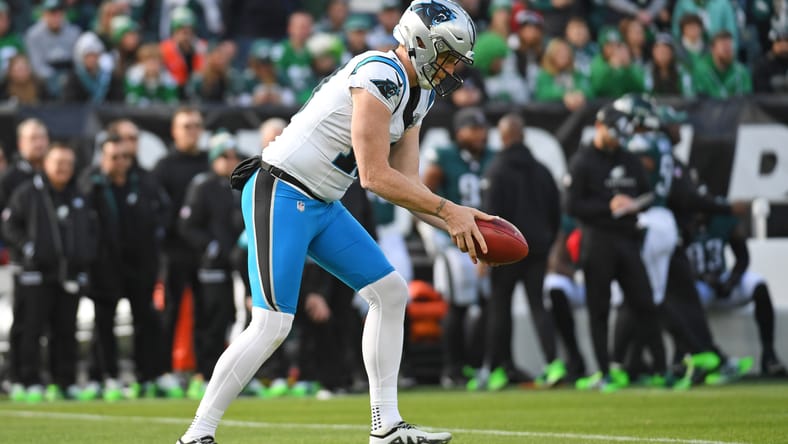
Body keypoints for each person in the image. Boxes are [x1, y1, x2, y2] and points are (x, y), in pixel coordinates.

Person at [176, 1, 488, 443]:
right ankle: (196, 435)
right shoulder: (381, 72)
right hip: (281, 189)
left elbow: (408, 185)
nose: (452, 69)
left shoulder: (419, 93)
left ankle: (386, 426)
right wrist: (448, 211)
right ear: (420, 44)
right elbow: (375, 176)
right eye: (448, 56)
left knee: (390, 292)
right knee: (272, 324)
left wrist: (462, 221)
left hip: (322, 202)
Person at [565, 102, 663, 392]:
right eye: (614, 133)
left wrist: (633, 203)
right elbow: (571, 205)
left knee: (644, 302)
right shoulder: (582, 161)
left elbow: (648, 193)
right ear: (599, 127)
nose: (618, 140)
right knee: (599, 308)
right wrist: (608, 205)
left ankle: (661, 367)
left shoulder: (629, 159)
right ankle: (604, 371)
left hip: (628, 238)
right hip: (597, 241)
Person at [1, 143, 97, 402]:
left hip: (67, 273)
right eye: (58, 162)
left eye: (68, 163)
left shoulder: (78, 194)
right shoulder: (28, 192)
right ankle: (24, 379)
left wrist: (83, 257)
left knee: (66, 329)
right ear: (46, 163)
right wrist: (28, 248)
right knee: (30, 328)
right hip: (34, 274)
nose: (63, 168)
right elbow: (9, 226)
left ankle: (63, 381)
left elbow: (89, 230)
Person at [78, 132, 169, 401]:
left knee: (145, 320)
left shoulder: (143, 182)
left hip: (140, 264)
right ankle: (105, 376)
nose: (120, 162)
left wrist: (155, 237)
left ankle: (147, 375)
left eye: (125, 157)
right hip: (105, 266)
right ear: (102, 157)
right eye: (114, 157)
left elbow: (163, 211)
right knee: (104, 323)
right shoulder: (90, 185)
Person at [477, 113, 562, 389]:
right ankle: (553, 364)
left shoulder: (496, 170)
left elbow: (489, 217)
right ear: (523, 136)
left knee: (500, 306)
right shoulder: (542, 170)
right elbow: (556, 212)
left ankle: (499, 368)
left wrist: (484, 252)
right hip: (537, 247)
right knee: (538, 304)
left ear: (502, 138)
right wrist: (548, 244)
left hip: (505, 251)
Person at [421, 107, 495, 389]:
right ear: (459, 131)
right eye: (473, 129)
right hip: (453, 240)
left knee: (487, 305)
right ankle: (452, 368)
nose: (480, 134)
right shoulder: (444, 156)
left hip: (485, 240)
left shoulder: (490, 157)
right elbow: (424, 193)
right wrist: (436, 231)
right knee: (458, 305)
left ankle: (477, 365)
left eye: (482, 129)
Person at [177, 131, 243, 400]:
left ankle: (225, 376)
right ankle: (203, 375)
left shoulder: (237, 187)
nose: (231, 161)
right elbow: (186, 225)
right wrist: (211, 247)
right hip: (211, 267)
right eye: (225, 156)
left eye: (234, 156)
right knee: (209, 321)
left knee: (230, 319)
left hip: (234, 265)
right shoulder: (202, 186)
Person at [687, 213, 787, 378]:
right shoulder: (681, 223)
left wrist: (732, 281)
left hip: (722, 280)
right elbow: (676, 265)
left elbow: (743, 257)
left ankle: (769, 355)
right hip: (698, 284)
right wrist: (701, 276)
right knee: (686, 298)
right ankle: (695, 358)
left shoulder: (723, 221)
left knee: (759, 286)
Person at [153, 106, 210, 398]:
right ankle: (165, 372)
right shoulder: (163, 167)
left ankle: (204, 372)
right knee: (170, 312)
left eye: (196, 125)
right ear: (174, 131)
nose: (191, 131)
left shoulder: (209, 163)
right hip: (174, 251)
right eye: (186, 126)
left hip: (205, 252)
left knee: (209, 312)